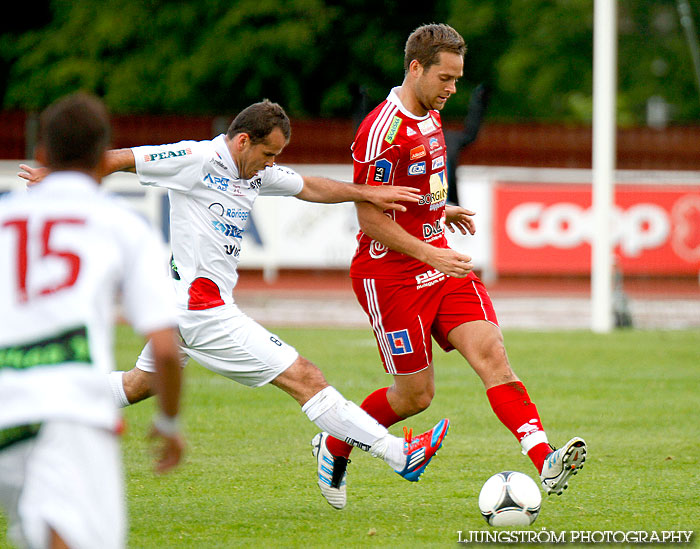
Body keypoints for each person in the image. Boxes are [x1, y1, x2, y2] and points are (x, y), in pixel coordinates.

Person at [19, 98, 449, 512]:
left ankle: (35, 401)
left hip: (186, 306)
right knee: (305, 377)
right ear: (242, 141)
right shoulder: (194, 158)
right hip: (200, 310)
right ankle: (397, 453)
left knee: (139, 385)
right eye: (268, 153)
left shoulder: (255, 172)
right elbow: (119, 159)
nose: (272, 163)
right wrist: (58, 180)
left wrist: (366, 193)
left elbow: (311, 187)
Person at [317, 23, 587, 509]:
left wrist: (440, 213)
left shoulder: (432, 114)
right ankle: (336, 441)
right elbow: (368, 216)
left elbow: (411, 193)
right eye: (445, 78)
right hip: (390, 277)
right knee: (415, 396)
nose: (452, 89)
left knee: (492, 355)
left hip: (440, 263)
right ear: (416, 68)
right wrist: (428, 252)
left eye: (458, 80)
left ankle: (545, 457)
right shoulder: (382, 131)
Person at [1, 93, 184, 549]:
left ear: (41, 155)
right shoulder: (120, 225)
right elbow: (165, 348)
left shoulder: (5, 220)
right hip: (71, 412)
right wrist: (169, 423)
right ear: (101, 156)